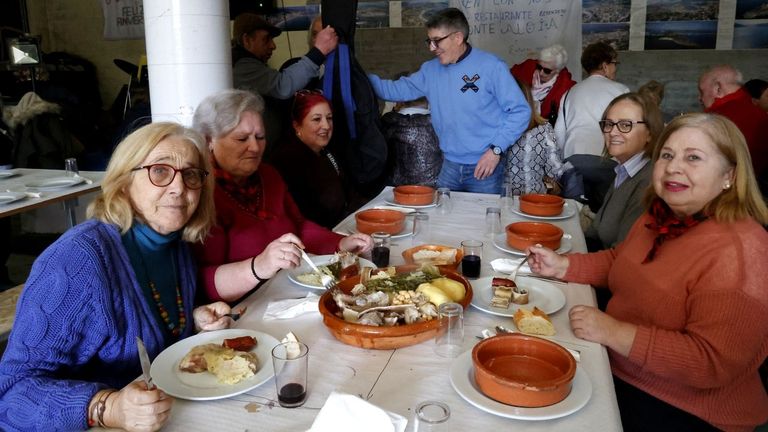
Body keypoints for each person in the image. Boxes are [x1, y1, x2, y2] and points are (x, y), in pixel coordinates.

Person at [529, 113, 768, 431]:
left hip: (683, 406)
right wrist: (564, 265)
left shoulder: (740, 251)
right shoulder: (661, 216)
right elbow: (622, 261)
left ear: (730, 175)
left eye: (693, 157)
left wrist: (613, 331)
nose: (674, 167)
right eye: (667, 155)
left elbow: (711, 363)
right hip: (618, 365)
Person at [0, 122, 233, 431]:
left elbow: (148, 332)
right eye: (160, 171)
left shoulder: (174, 245)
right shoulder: (78, 259)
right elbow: (11, 394)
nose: (180, 187)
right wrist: (107, 408)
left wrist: (193, 322)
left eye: (191, 174)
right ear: (124, 182)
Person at [191, 89, 372, 303]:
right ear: (208, 140)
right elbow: (200, 281)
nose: (255, 147)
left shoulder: (268, 175)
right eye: (241, 139)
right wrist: (259, 265)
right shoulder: (200, 192)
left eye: (260, 137)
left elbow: (298, 226)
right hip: (243, 308)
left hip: (288, 295)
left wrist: (341, 244)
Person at [367, 7, 530, 194]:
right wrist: (357, 75)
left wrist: (496, 150)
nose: (431, 48)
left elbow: (520, 111)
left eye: (437, 41)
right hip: (449, 166)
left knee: (482, 222)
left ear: (458, 38)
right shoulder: (430, 70)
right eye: (429, 41)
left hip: (484, 167)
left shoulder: (492, 67)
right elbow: (393, 90)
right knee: (444, 219)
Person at [231, 13, 338, 153]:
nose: (273, 46)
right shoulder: (243, 67)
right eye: (266, 39)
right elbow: (283, 86)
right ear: (247, 40)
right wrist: (318, 53)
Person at [271, 90, 367, 229]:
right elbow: (305, 218)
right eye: (317, 119)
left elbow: (349, 193)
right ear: (297, 125)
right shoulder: (287, 161)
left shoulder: (325, 151)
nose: (326, 126)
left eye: (329, 118)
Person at [554, 42, 629, 211]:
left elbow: (559, 134)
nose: (615, 68)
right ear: (605, 65)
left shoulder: (570, 93)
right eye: (614, 64)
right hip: (608, 161)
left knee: (575, 215)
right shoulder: (622, 91)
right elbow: (629, 131)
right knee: (605, 214)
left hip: (574, 160)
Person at [585, 92, 664, 251]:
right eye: (609, 124)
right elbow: (596, 230)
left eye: (625, 125)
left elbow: (621, 256)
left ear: (650, 132)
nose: (612, 132)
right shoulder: (624, 170)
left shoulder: (648, 183)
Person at [698, 65, 768, 183]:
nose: (699, 98)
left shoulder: (714, 120)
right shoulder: (760, 114)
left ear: (718, 89)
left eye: (701, 91)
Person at [503, 79, 571, 195]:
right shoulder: (544, 130)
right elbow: (555, 171)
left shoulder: (495, 130)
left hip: (502, 198)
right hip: (535, 200)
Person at [380, 73, 442, 188]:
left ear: (400, 100)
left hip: (395, 188)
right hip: (431, 189)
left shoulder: (388, 121)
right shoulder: (439, 122)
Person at [511, 44, 576, 125]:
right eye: (539, 67)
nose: (541, 73)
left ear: (557, 71)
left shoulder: (565, 87)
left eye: (547, 71)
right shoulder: (526, 68)